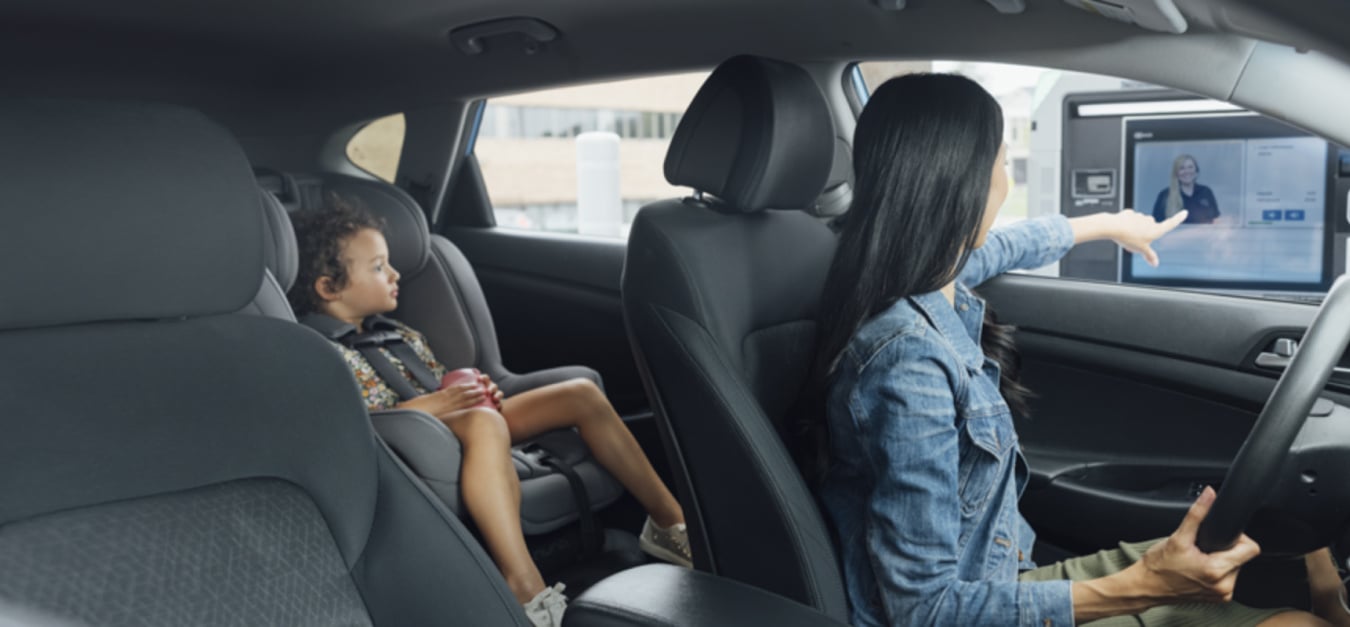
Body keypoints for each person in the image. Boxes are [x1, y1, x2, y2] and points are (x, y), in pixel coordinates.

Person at [810, 73, 1346, 627]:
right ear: (962, 184)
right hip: (973, 608)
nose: (1005, 175)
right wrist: (1140, 587)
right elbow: (924, 612)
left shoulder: (924, 276)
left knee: (1276, 592)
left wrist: (1105, 224)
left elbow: (1003, 246)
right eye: (999, 160)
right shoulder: (908, 364)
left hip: (1003, 579)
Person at [288, 199, 691, 627]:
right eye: (378, 267)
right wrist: (435, 407)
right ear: (328, 287)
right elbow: (354, 426)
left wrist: (479, 390)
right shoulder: (323, 354)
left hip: (468, 423)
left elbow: (445, 382)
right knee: (484, 421)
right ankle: (522, 581)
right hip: (409, 444)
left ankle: (671, 525)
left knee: (579, 394)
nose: (395, 274)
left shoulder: (399, 333)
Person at [1152, 154, 1220, 224]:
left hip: (1204, 234)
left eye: (1190, 167)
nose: (1187, 171)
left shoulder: (1206, 192)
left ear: (1196, 170)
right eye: (1182, 168)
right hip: (1176, 235)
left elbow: (1216, 221)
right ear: (1176, 173)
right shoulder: (1165, 195)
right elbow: (1157, 225)